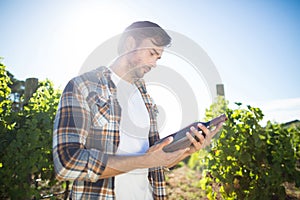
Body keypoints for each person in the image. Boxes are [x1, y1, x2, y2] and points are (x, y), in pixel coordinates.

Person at [53, 21, 223, 199]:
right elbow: (67, 164)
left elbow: (154, 159)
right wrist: (144, 161)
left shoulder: (145, 99)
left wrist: (186, 149)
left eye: (158, 58)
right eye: (152, 53)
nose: (154, 63)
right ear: (130, 44)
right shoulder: (84, 86)